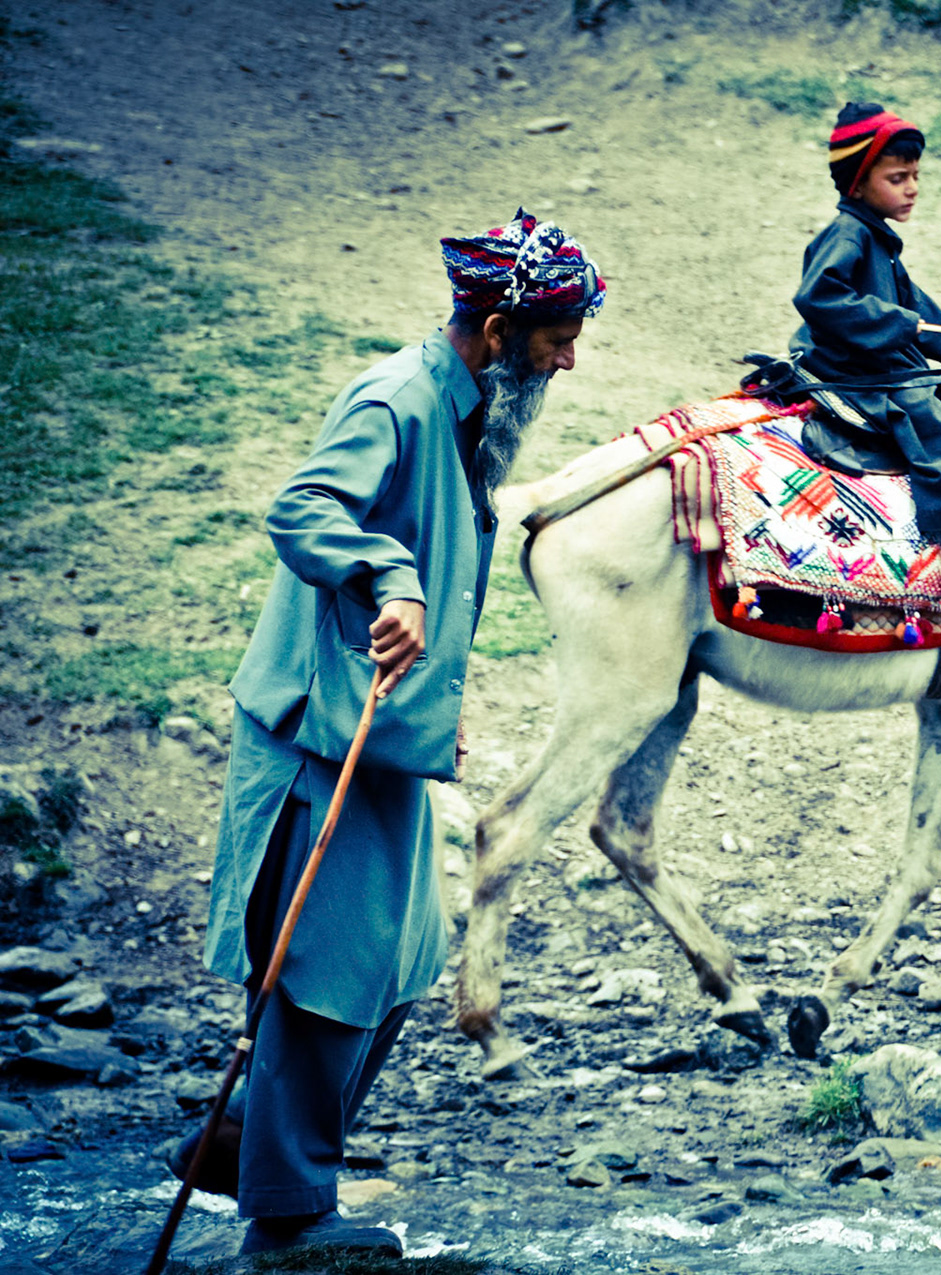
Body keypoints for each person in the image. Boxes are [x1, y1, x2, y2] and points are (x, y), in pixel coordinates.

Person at [170, 210, 605, 1257]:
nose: (569, 354)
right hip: (320, 736)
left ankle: (266, 1157)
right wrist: (394, 578)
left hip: (384, 742)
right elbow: (305, 510)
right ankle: (286, 1219)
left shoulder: (468, 414)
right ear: (497, 328)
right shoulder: (397, 400)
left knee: (396, 966)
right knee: (321, 972)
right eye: (555, 333)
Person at [791, 101, 941, 596]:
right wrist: (899, 324)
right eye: (898, 178)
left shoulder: (879, 241)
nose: (912, 188)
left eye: (915, 175)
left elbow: (927, 317)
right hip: (852, 367)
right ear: (857, 183)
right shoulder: (846, 235)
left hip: (877, 357)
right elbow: (819, 297)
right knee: (939, 425)